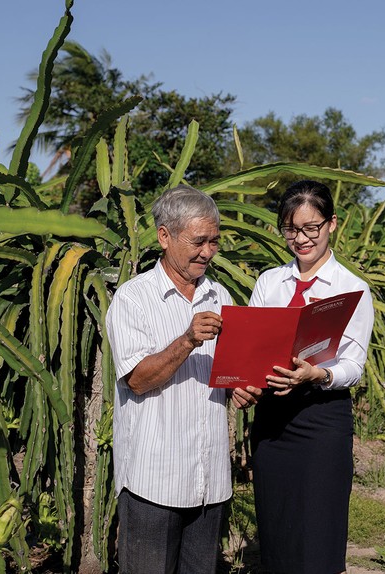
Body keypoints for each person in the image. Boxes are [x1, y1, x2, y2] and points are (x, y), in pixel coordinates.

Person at [105, 184, 259, 574]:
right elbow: (137, 380)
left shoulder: (220, 296)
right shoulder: (133, 299)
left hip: (209, 480)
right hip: (154, 482)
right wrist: (188, 340)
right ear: (164, 236)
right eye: (198, 241)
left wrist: (241, 388)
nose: (207, 252)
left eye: (214, 241)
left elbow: (230, 371)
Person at [248, 179, 375, 574]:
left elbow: (353, 365)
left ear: (331, 223)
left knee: (319, 531)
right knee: (277, 530)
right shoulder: (269, 282)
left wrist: (318, 374)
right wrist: (242, 383)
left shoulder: (352, 288)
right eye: (291, 229)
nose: (301, 239)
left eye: (311, 228)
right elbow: (251, 348)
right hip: (272, 420)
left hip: (321, 420)